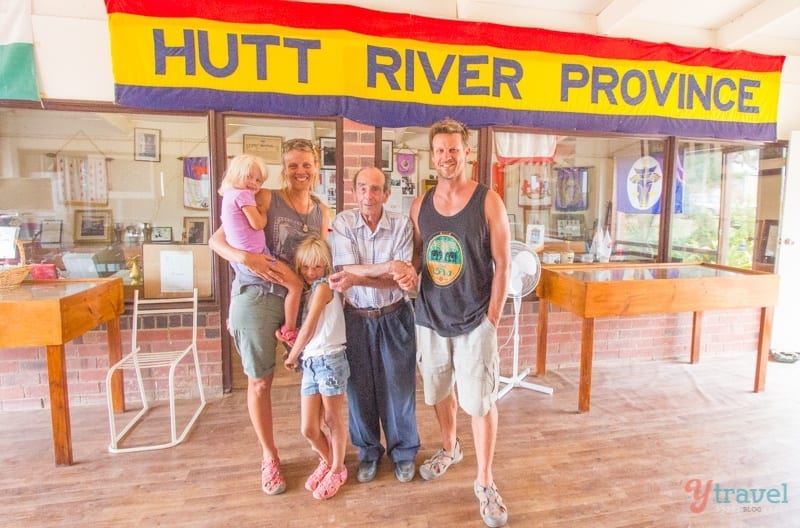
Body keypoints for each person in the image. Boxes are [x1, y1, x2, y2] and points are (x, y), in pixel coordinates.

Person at [208, 138, 328, 495]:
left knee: (320, 381)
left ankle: (324, 451)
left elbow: (320, 258)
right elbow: (217, 240)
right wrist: (244, 259)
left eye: (307, 165)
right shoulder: (263, 197)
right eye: (293, 165)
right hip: (257, 295)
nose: (300, 172)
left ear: (316, 169)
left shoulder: (322, 211)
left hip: (302, 301)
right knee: (260, 381)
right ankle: (269, 457)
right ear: (283, 168)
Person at [409, 118, 511, 528]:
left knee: (480, 401)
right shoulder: (421, 204)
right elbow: (418, 258)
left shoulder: (488, 201)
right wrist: (405, 271)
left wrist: (492, 319)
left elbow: (504, 264)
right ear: (431, 156)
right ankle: (450, 448)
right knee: (438, 392)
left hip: (474, 319)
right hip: (430, 318)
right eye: (439, 151)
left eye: (454, 149)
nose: (446, 157)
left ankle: (485, 482)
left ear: (467, 152)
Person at [328, 166, 420, 484]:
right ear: (355, 192)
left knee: (400, 389)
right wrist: (385, 268)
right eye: (363, 188)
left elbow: (400, 278)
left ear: (386, 193)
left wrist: (361, 276)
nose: (370, 195)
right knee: (360, 391)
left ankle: (404, 453)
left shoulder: (401, 224)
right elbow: (346, 271)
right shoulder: (342, 223)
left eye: (376, 189)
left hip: (396, 316)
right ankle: (368, 453)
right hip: (356, 319)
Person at [283, 236, 349, 500]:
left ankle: (336, 469)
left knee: (332, 419)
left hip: (330, 359)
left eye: (317, 266)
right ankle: (330, 461)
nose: (311, 273)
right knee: (309, 428)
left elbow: (310, 327)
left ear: (326, 266)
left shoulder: (323, 287)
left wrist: (292, 354)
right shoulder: (309, 291)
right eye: (306, 267)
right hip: (312, 362)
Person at [217, 154, 302, 345]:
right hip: (258, 257)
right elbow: (256, 223)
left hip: (245, 261)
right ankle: (290, 330)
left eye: (258, 180)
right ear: (236, 174)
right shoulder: (245, 196)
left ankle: (233, 316)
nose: (254, 184)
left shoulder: (228, 196)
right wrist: (263, 213)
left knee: (239, 279)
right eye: (249, 177)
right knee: (295, 285)